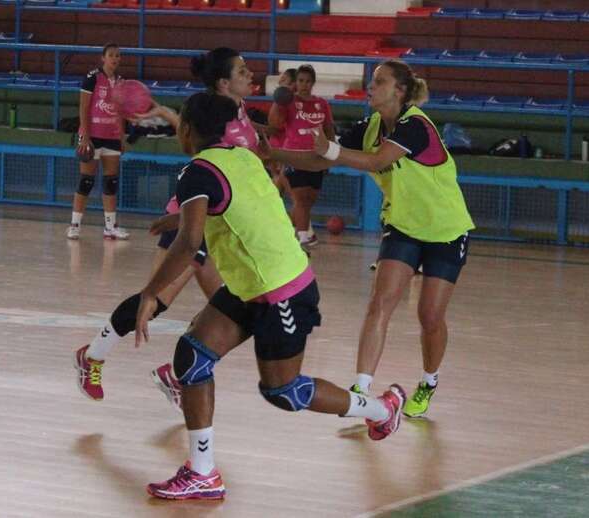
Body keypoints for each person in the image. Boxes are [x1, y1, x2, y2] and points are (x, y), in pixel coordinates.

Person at [133, 92, 405, 501]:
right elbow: (237, 203)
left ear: (186, 130)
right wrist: (184, 214)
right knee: (192, 358)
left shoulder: (197, 172)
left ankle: (383, 410)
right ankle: (203, 473)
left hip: (282, 291)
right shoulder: (242, 155)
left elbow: (188, 244)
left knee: (284, 391)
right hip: (250, 285)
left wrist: (151, 293)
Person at [265, 59, 474, 418]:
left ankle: (429, 380)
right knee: (380, 303)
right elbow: (321, 160)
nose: (370, 87)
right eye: (371, 81)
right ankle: (361, 389)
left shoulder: (415, 126)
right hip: (403, 226)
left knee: (429, 317)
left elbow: (377, 161)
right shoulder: (371, 125)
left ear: (400, 91)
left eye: (378, 82)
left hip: (446, 229)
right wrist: (273, 152)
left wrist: (330, 150)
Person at [73, 47, 262, 406]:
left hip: (223, 223)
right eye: (243, 70)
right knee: (168, 300)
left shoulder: (237, 110)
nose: (251, 74)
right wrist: (166, 117)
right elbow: (196, 146)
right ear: (224, 81)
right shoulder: (211, 110)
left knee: (225, 309)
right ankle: (97, 356)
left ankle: (173, 375)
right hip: (195, 215)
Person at [67, 43, 129, 241]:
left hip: (112, 136)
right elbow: (83, 108)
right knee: (86, 180)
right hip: (92, 136)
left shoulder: (121, 82)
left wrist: (122, 137)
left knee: (111, 182)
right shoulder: (92, 77)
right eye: (111, 55)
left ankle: (110, 227)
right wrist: (85, 135)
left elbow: (121, 112)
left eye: (118, 55)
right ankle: (74, 225)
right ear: (103, 58)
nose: (115, 58)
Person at [268, 65, 335, 248]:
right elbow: (274, 123)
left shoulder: (322, 104)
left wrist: (330, 153)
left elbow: (329, 129)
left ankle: (296, 233)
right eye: (300, 81)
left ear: (313, 83)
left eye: (307, 81)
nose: (304, 85)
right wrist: (280, 100)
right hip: (294, 156)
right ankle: (303, 238)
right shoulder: (289, 102)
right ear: (296, 82)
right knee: (300, 198)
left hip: (316, 157)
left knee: (310, 199)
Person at [266, 68, 296, 193]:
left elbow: (276, 125)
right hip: (276, 145)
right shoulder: (279, 99)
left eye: (284, 79)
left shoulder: (294, 101)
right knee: (276, 177)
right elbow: (273, 125)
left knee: (281, 179)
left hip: (288, 147)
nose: (280, 81)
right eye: (281, 78)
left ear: (293, 84)